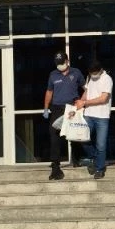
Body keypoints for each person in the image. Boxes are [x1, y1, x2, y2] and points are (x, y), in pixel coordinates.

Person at [43, 52, 85, 180]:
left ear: (67, 61)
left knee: (74, 134)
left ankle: (76, 159)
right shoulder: (53, 74)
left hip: (72, 107)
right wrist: (46, 108)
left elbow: (85, 88)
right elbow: (49, 92)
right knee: (54, 135)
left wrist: (82, 102)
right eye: (58, 64)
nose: (60, 65)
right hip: (57, 108)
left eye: (62, 63)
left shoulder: (76, 72)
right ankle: (55, 164)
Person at [74, 60, 112, 179]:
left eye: (95, 73)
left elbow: (103, 99)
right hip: (88, 114)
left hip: (102, 116)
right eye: (91, 73)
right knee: (81, 137)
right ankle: (96, 159)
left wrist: (85, 103)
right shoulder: (89, 77)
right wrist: (80, 103)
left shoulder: (107, 79)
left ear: (100, 70)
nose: (93, 75)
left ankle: (99, 169)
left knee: (101, 144)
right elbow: (87, 92)